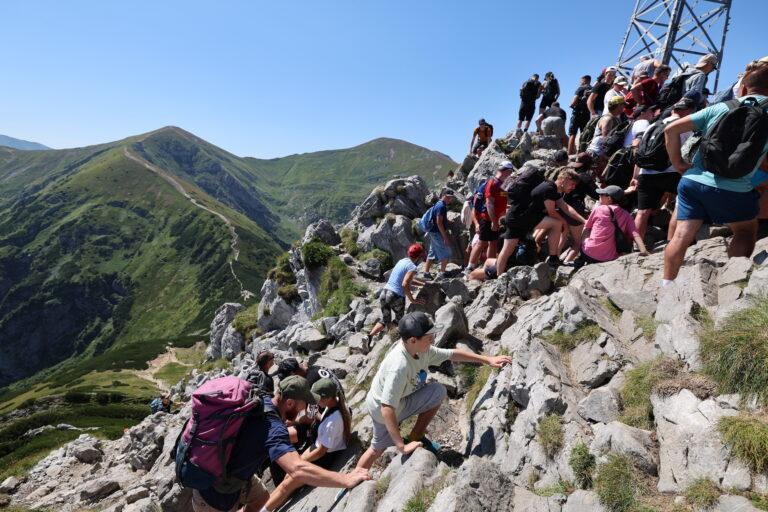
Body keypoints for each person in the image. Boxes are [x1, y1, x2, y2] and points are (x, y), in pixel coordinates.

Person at [355, 312, 512, 470]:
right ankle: (353, 480)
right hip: (382, 409)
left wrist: (487, 360)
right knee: (377, 449)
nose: (433, 340)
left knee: (437, 391)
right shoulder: (399, 366)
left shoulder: (421, 349)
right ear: (413, 340)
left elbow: (452, 355)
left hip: (397, 401)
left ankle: (416, 437)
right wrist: (401, 447)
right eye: (429, 337)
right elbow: (387, 409)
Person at [190, 376, 370, 512]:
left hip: (232, 475)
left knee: (262, 498)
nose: (304, 409)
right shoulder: (273, 429)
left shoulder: (262, 400)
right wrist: (346, 479)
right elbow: (298, 470)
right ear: (290, 402)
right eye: (303, 404)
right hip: (215, 495)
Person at [662, 65, 768, 286]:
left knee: (682, 233)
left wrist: (678, 163)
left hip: (693, 180)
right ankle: (732, 282)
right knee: (745, 231)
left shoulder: (721, 107)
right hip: (735, 188)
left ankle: (667, 285)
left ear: (745, 87)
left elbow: (670, 130)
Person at [263, 378, 353, 511]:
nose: (315, 402)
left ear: (327, 398)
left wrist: (301, 462)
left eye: (318, 399)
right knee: (288, 479)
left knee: (286, 485)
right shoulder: (335, 404)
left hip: (323, 459)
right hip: (316, 451)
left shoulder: (332, 421)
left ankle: (264, 509)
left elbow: (321, 450)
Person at [496, 168, 586, 276]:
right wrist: (565, 224)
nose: (573, 187)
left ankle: (553, 258)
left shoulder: (553, 189)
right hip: (520, 219)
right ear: (564, 180)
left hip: (521, 218)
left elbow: (566, 207)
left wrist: (584, 220)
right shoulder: (549, 189)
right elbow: (552, 212)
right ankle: (553, 259)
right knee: (556, 224)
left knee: (506, 251)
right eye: (572, 184)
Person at [631, 97, 696, 241]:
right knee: (680, 204)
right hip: (672, 172)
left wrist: (635, 176)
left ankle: (636, 246)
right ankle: (672, 241)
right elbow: (688, 152)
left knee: (642, 212)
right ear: (688, 111)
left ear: (673, 110)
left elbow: (641, 150)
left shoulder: (652, 126)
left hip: (646, 172)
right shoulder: (683, 126)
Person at [574, 185, 649, 270]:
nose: (599, 196)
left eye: (602, 194)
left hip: (588, 253)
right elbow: (635, 234)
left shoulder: (599, 209)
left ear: (609, 198)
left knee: (587, 228)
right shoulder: (627, 215)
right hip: (608, 258)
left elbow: (587, 227)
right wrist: (644, 250)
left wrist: (583, 242)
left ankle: (580, 260)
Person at [367, 243, 426, 347]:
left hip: (384, 293)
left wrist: (423, 284)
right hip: (395, 295)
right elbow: (405, 284)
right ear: (419, 256)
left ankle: (369, 336)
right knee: (399, 319)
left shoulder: (402, 261)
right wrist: (412, 299)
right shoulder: (412, 267)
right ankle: (392, 338)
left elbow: (406, 280)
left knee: (385, 319)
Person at [466, 161, 515, 272]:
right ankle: (470, 267)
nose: (511, 175)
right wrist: (494, 221)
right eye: (510, 172)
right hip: (488, 219)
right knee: (481, 242)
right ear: (506, 171)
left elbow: (502, 200)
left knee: (493, 242)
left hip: (495, 219)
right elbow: (489, 203)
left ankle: (489, 266)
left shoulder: (503, 184)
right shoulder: (492, 183)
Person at [423, 188, 456, 279]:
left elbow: (438, 218)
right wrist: (445, 237)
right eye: (448, 197)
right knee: (446, 252)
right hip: (437, 233)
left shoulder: (438, 204)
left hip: (432, 232)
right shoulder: (441, 206)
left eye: (451, 198)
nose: (450, 199)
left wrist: (448, 221)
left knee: (432, 252)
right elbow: (438, 222)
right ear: (444, 196)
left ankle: (426, 273)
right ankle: (442, 274)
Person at [568, 75, 593, 155]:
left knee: (572, 134)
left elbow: (573, 102)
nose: (580, 82)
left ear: (584, 80)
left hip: (577, 113)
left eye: (581, 80)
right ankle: (582, 153)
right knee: (584, 134)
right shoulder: (592, 89)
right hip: (587, 114)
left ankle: (569, 153)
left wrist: (571, 105)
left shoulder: (581, 88)